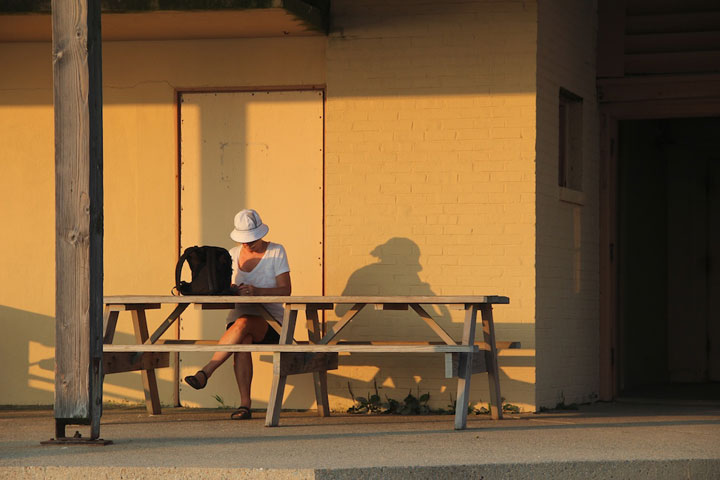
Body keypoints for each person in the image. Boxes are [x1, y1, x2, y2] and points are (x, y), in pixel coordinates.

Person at [183, 209, 291, 420]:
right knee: (243, 338)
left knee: (242, 325)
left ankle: (206, 371)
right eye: (244, 240)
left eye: (251, 239)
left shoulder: (276, 251)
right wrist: (233, 289)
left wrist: (257, 291)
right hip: (239, 323)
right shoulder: (231, 255)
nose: (247, 244)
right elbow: (226, 286)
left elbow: (285, 290)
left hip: (272, 323)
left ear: (261, 233)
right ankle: (245, 405)